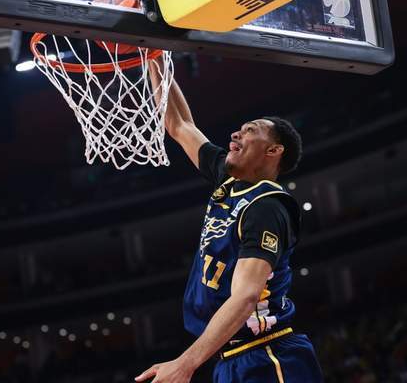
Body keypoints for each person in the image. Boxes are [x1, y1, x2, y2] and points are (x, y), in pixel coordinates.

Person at [135, 59, 322, 383]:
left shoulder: (267, 206)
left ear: (273, 150)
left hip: (267, 355)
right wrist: (156, 58)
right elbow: (180, 124)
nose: (236, 133)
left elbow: (246, 296)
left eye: (250, 130)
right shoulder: (229, 180)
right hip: (229, 359)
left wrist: (186, 363)